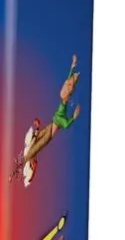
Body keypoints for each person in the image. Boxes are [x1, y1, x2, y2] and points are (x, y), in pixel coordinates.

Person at [13, 55, 81, 185]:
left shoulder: (61, 115)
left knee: (34, 148)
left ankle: (21, 166)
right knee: (33, 143)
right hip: (49, 128)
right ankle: (23, 164)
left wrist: (73, 117)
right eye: (65, 85)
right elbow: (68, 83)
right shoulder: (62, 105)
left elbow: (65, 124)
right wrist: (72, 66)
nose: (64, 86)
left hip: (48, 135)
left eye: (67, 87)